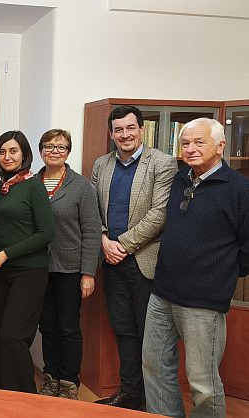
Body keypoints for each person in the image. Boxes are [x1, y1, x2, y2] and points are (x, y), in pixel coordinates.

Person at [143, 118, 249, 417]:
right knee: (155, 367)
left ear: (221, 145)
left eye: (199, 142)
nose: (190, 149)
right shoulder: (180, 179)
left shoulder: (240, 189)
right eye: (185, 143)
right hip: (162, 293)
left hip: (204, 300)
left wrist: (221, 274)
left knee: (203, 383)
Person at [91, 105, 176, 409]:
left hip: (144, 262)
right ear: (111, 133)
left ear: (141, 129)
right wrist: (103, 240)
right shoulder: (101, 164)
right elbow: (92, 210)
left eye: (130, 128)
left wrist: (122, 245)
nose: (124, 135)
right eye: (118, 130)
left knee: (149, 334)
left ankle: (153, 402)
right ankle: (130, 394)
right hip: (111, 262)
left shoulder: (162, 163)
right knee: (123, 329)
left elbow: (159, 214)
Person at [35, 129, 101, 400]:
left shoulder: (81, 186)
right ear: (41, 151)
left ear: (68, 152)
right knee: (47, 327)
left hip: (70, 269)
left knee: (68, 328)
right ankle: (50, 377)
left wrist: (88, 273)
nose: (54, 151)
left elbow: (92, 232)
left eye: (60, 147)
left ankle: (69, 382)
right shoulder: (31, 183)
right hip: (38, 268)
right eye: (49, 146)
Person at [0, 130, 55, 393]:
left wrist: (6, 253)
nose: (7, 156)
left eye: (13, 151)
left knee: (12, 337)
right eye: (2, 152)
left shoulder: (34, 185)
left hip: (29, 272)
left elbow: (46, 233)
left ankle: (25, 399)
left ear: (24, 154)